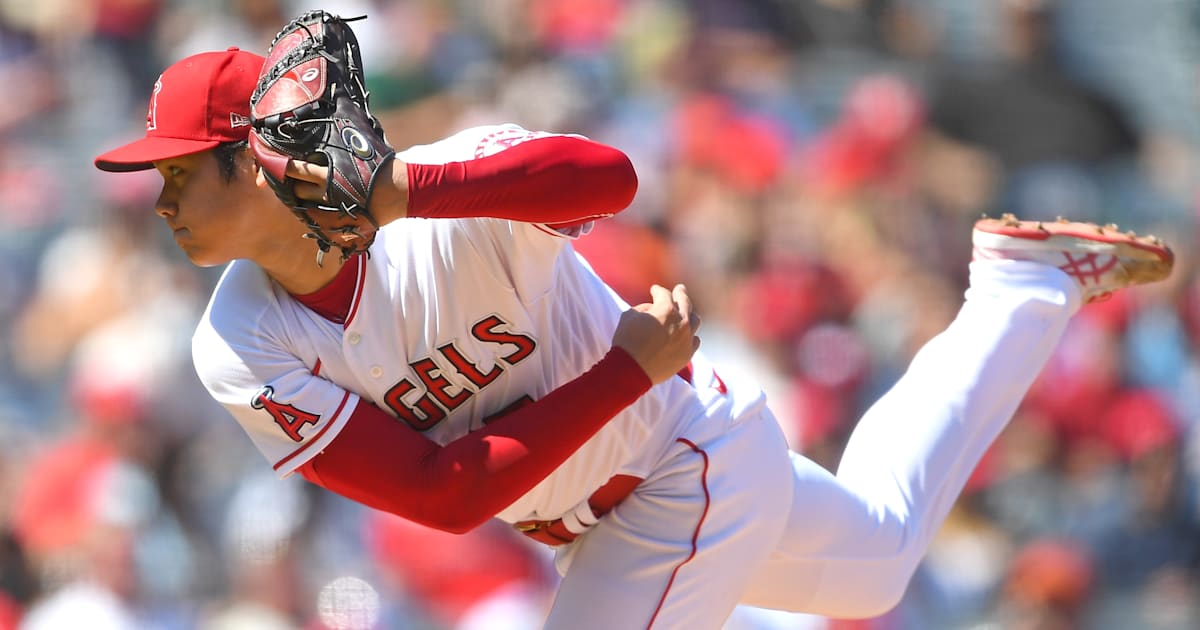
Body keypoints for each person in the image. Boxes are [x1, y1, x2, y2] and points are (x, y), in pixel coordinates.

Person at [93, 47, 1173, 629]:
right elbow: (444, 498)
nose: (163, 196)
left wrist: (411, 188)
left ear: (266, 159)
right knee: (882, 560)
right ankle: (1022, 288)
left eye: (185, 169)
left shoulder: (439, 201)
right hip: (631, 463)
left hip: (674, 468)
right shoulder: (236, 340)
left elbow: (609, 178)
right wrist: (616, 375)